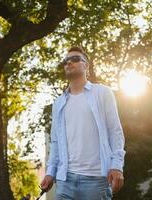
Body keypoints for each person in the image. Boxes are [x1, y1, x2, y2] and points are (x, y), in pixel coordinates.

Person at [40, 46, 126, 200]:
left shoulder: (102, 93)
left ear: (86, 65)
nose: (69, 63)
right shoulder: (58, 103)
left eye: (75, 59)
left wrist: (116, 166)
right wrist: (50, 172)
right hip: (65, 180)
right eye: (66, 61)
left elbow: (115, 131)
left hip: (96, 180)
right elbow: (55, 141)